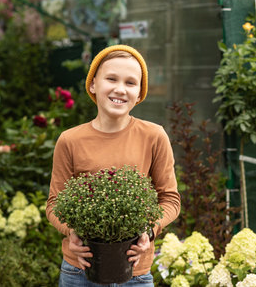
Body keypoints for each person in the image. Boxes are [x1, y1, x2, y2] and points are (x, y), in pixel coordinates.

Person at [46, 45, 181, 287]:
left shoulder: (154, 136)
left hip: (135, 273)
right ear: (93, 84)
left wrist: (149, 231)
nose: (120, 89)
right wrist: (71, 231)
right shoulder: (70, 140)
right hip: (80, 272)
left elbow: (170, 199)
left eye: (131, 83)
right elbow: (54, 203)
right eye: (111, 79)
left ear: (140, 94)